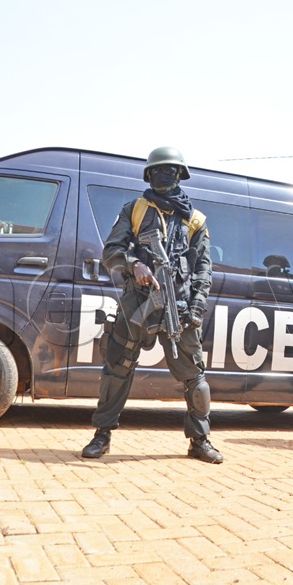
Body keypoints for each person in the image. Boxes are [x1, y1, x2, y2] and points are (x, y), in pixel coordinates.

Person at [80, 147, 223, 464]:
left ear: (179, 175)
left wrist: (196, 309)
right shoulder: (135, 209)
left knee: (194, 376)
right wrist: (134, 265)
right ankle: (102, 435)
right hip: (138, 302)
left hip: (179, 305)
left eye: (170, 171)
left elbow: (203, 270)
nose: (163, 175)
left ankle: (200, 440)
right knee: (117, 368)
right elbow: (111, 252)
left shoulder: (195, 220)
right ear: (148, 175)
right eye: (157, 171)